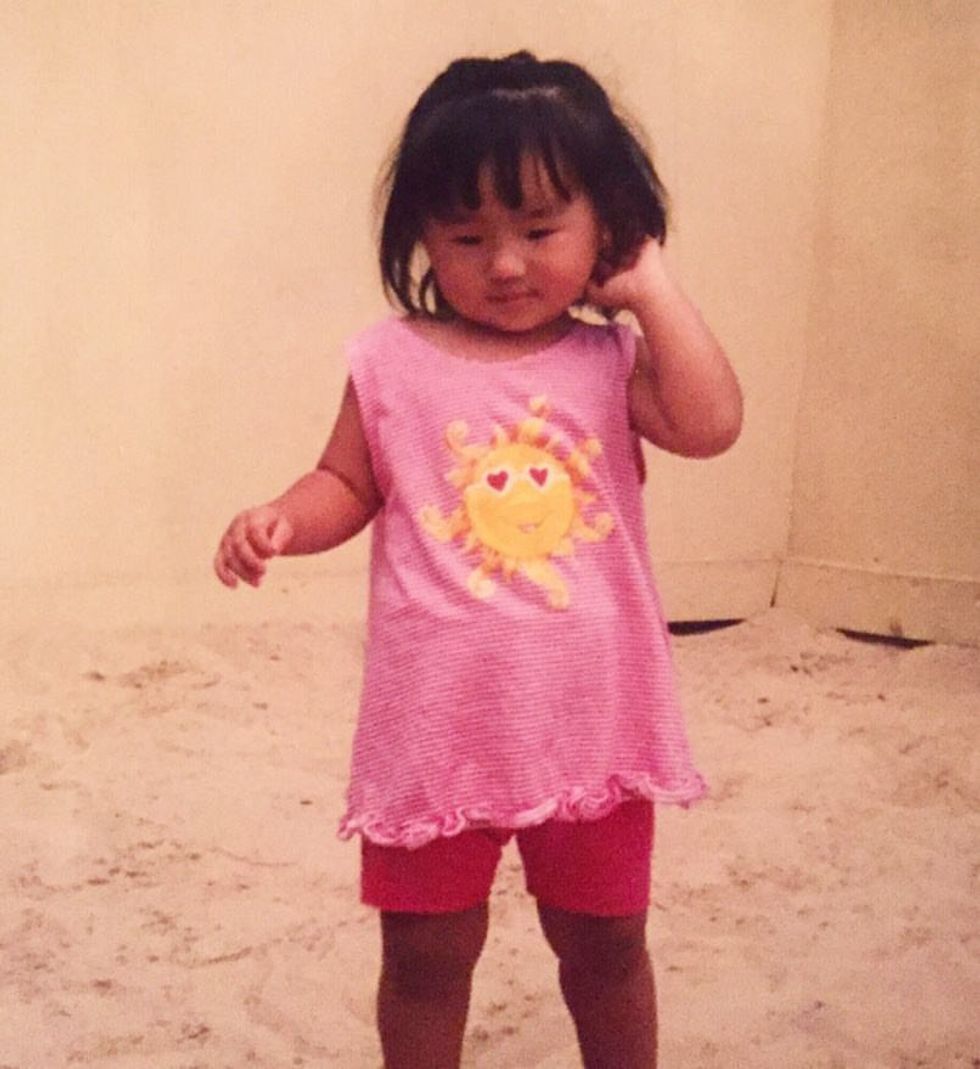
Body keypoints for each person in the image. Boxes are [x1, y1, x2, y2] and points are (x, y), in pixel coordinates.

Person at [214, 50, 742, 1069]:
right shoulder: (389, 361)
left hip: (592, 719)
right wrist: (280, 516)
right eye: (467, 236)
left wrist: (653, 287)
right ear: (421, 235)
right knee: (424, 955)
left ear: (605, 223)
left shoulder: (611, 362)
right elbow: (345, 481)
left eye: (539, 231)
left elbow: (712, 423)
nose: (504, 264)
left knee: (605, 946)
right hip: (435, 721)